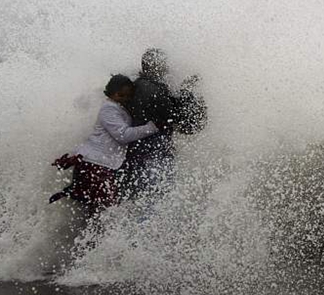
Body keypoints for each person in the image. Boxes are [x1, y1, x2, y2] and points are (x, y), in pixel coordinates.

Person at [50, 75, 159, 214]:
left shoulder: (117, 107)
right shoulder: (109, 109)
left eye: (128, 95)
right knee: (107, 208)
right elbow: (123, 135)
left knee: (98, 209)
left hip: (99, 165)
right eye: (121, 95)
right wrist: (151, 127)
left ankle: (87, 228)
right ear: (111, 93)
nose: (125, 98)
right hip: (94, 165)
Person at [120, 48, 207, 197]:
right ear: (156, 66)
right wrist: (186, 91)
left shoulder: (135, 86)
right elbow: (175, 117)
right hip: (154, 154)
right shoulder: (153, 90)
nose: (167, 69)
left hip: (135, 153)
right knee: (155, 199)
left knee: (139, 198)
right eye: (164, 65)